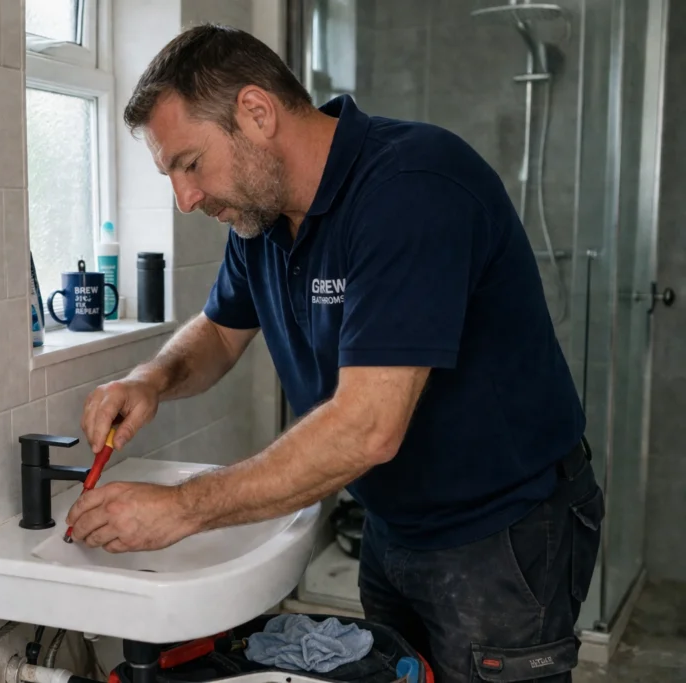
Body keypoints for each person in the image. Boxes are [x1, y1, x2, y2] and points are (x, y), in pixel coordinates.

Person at [65, 23, 604, 683]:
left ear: (256, 112)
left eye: (190, 163)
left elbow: (370, 427)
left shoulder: (412, 187)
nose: (185, 199)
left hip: (504, 532)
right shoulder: (260, 220)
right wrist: (151, 379)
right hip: (392, 525)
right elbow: (220, 330)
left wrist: (181, 507)